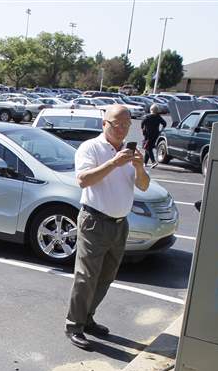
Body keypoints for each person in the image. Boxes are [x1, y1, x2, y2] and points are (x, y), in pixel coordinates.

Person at [64, 105, 149, 350]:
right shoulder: (91, 147)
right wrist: (113, 163)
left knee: (106, 276)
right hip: (94, 221)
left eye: (126, 125)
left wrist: (139, 167)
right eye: (116, 124)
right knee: (86, 277)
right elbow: (83, 180)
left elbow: (143, 185)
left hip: (120, 223)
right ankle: (74, 325)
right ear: (104, 124)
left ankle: (87, 317)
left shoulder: (130, 152)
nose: (121, 129)